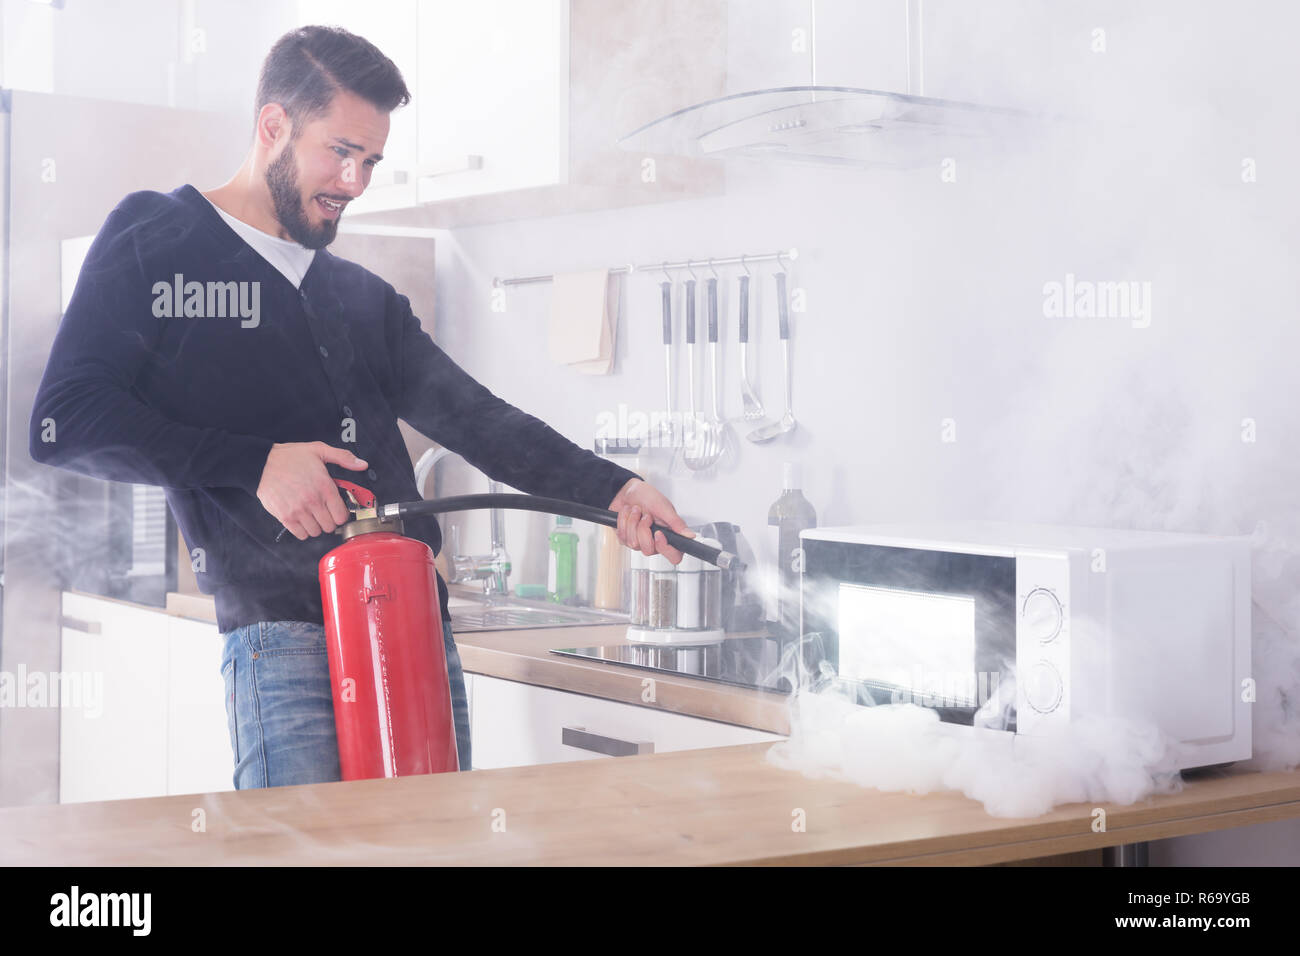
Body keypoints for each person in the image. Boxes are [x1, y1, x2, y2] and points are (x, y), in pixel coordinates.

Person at [29, 25, 694, 789]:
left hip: (415, 631)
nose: (355, 181)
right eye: (339, 151)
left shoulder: (360, 298)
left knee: (427, 852)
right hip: (285, 642)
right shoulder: (158, 240)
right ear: (273, 126)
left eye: (371, 160)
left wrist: (615, 490)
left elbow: (476, 418)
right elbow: (66, 419)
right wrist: (255, 465)